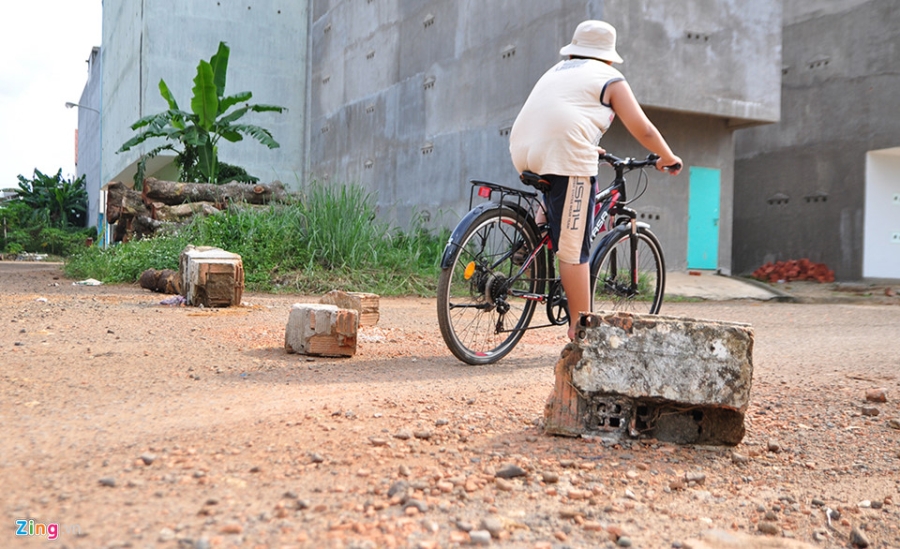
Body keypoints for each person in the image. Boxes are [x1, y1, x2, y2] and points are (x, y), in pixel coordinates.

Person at [509, 19, 682, 341]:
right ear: (608, 55)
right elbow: (643, 129)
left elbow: (559, 113)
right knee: (575, 250)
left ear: (575, 50)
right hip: (564, 154)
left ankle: (534, 230)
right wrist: (668, 157)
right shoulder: (610, 78)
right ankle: (581, 329)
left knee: (565, 197)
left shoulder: (558, 70)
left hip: (523, 150)